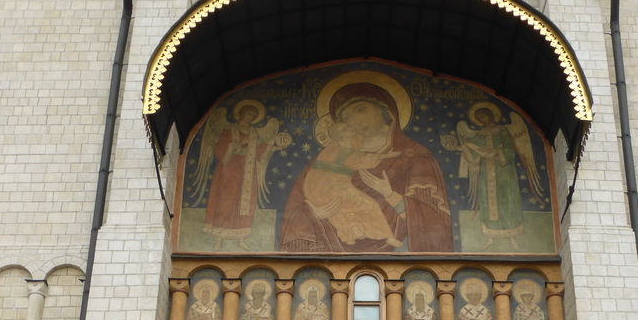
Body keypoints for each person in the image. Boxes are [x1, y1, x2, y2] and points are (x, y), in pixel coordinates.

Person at [280, 81, 452, 253]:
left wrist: (390, 195)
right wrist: (315, 215)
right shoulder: (325, 160)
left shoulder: (415, 156)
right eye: (346, 118)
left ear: (386, 110)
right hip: (329, 253)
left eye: (361, 109)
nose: (354, 119)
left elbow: (436, 223)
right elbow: (296, 208)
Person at [190, 100, 289, 250]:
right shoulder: (229, 130)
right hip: (229, 170)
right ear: (241, 113)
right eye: (249, 113)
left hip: (247, 171)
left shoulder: (254, 133)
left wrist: (276, 147)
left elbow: (261, 149)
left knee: (246, 203)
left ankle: (241, 239)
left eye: (253, 115)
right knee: (225, 201)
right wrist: (243, 143)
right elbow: (221, 150)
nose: (250, 117)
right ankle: (219, 238)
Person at [443, 104, 545, 250]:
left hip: (504, 173)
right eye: (479, 118)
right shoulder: (480, 134)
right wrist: (458, 148)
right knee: (486, 202)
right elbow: (472, 151)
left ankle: (512, 238)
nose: (482, 119)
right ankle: (490, 238)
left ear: (491, 115)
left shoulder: (503, 131)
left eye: (484, 116)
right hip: (485, 174)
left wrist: (496, 152)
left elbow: (511, 150)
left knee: (508, 202)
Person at [302, 119, 402, 247]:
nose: (349, 128)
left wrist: (383, 154)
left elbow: (358, 157)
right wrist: (384, 156)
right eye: (344, 129)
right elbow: (358, 160)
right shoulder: (335, 149)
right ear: (339, 137)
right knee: (370, 205)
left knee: (342, 208)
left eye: (347, 125)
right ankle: (386, 236)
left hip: (333, 185)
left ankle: (352, 230)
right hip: (326, 186)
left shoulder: (348, 147)